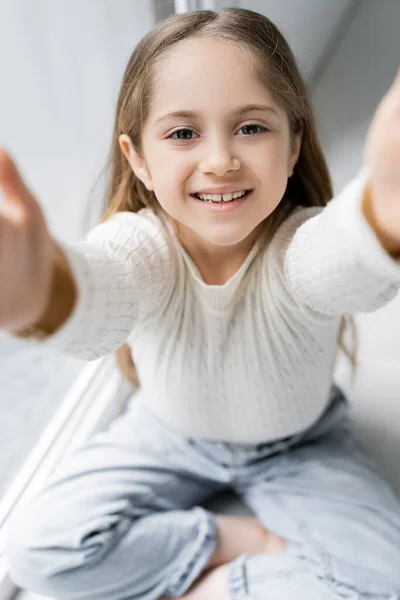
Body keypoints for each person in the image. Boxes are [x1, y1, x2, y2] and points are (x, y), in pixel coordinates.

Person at [1, 7, 400, 600]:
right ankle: (238, 541)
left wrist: (385, 214)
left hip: (303, 443)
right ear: (139, 159)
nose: (220, 160)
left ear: (293, 147)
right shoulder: (143, 246)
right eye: (183, 133)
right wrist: (39, 296)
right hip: (167, 436)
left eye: (251, 128)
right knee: (37, 553)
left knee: (385, 580)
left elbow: (341, 256)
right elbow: (101, 289)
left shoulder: (298, 249)